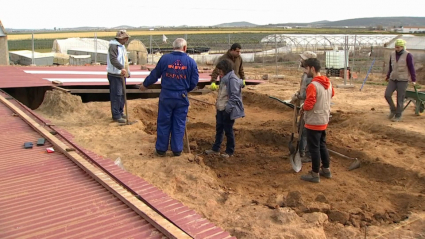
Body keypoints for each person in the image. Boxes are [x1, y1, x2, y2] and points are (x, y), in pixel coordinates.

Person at [139, 38, 199, 157]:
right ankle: (177, 150)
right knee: (179, 123)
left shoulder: (165, 59)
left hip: (166, 96)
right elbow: (194, 82)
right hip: (181, 96)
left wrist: (145, 85)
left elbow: (155, 74)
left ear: (173, 47)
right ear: (185, 48)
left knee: (164, 121)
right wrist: (185, 90)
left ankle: (161, 149)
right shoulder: (191, 62)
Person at [300, 58, 335, 183]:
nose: (305, 71)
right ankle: (326, 169)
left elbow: (309, 104)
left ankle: (315, 174)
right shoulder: (328, 83)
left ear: (312, 69)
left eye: (306, 68)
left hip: (314, 120)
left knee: (314, 148)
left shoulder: (313, 86)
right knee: (322, 145)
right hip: (324, 119)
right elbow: (332, 95)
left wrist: (303, 107)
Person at [205, 59, 245, 158]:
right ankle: (215, 149)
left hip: (227, 110)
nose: (219, 72)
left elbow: (235, 96)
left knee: (228, 130)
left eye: (220, 70)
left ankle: (229, 151)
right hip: (220, 108)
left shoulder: (232, 80)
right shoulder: (224, 78)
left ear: (225, 69)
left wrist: (227, 109)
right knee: (219, 129)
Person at [291, 51, 317, 162]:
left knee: (305, 131)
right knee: (301, 129)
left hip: (308, 107)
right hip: (303, 105)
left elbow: (307, 94)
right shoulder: (306, 74)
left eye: (303, 59)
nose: (301, 61)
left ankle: (306, 154)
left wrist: (298, 96)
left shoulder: (310, 77)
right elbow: (303, 88)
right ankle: (301, 152)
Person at [385, 39, 416, 122]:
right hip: (393, 78)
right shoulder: (392, 54)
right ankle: (393, 110)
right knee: (387, 95)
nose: (396, 49)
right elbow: (391, 67)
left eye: (398, 47)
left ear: (402, 47)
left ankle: (398, 115)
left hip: (403, 79)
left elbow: (411, 68)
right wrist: (388, 76)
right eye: (395, 47)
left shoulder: (408, 55)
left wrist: (413, 79)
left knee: (400, 98)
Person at [107, 30, 131, 123]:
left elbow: (124, 60)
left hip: (121, 74)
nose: (127, 40)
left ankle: (120, 112)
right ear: (121, 39)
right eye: (126, 38)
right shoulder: (113, 46)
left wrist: (127, 71)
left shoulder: (122, 47)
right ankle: (116, 115)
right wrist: (121, 68)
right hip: (115, 74)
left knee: (121, 95)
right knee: (116, 95)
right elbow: (113, 59)